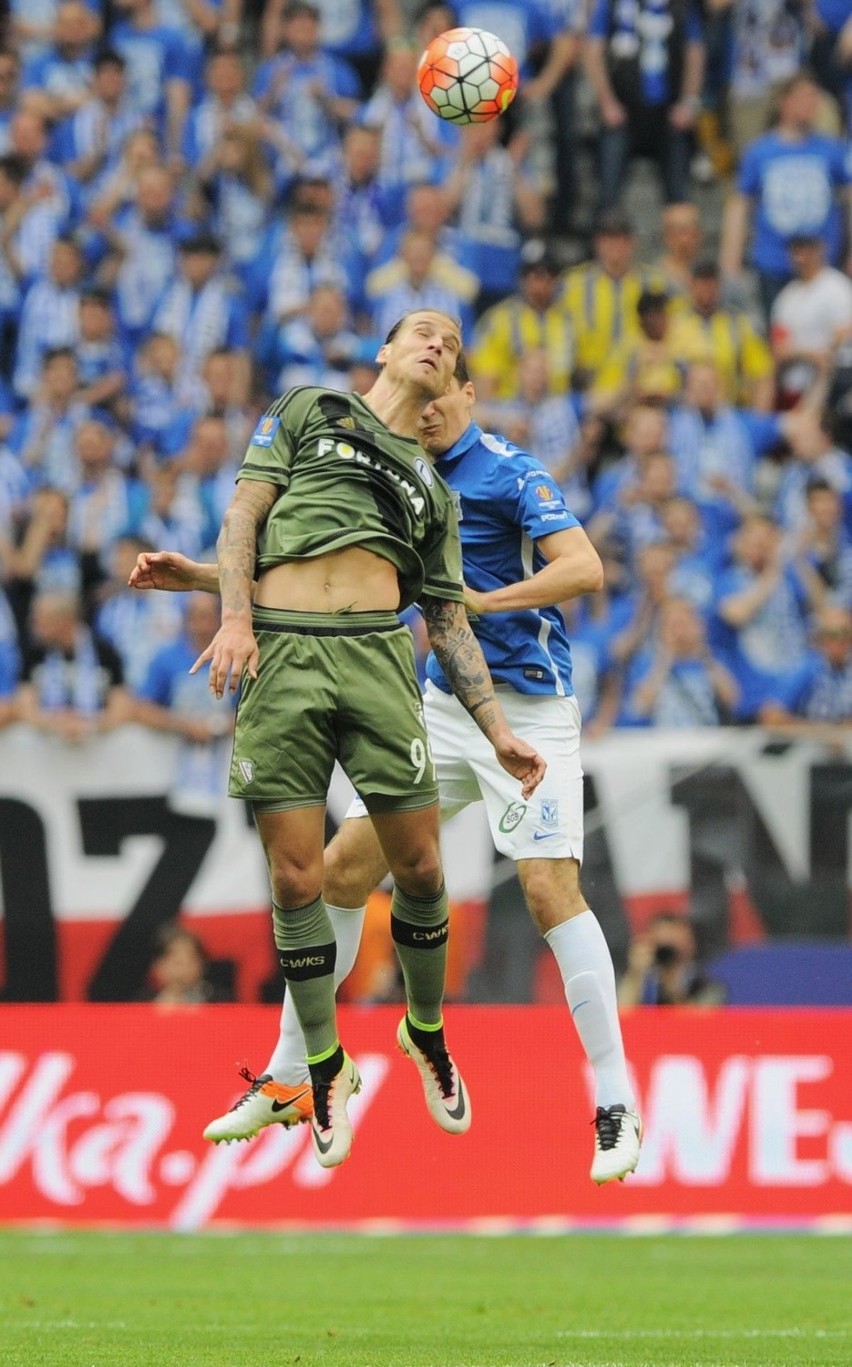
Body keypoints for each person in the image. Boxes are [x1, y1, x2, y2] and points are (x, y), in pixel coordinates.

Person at [131, 358, 643, 1186]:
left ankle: (615, 1099)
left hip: (531, 705)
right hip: (443, 703)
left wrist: (479, 602)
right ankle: (296, 1071)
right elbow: (319, 577)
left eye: (445, 388)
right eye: (420, 389)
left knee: (550, 890)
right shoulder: (391, 471)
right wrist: (197, 578)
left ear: (469, 395)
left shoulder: (508, 469)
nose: (430, 404)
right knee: (337, 871)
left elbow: (585, 569)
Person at [618, 911, 727, 1006]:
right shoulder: (642, 984)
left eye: (672, 942)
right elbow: (620, 1016)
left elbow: (696, 1021)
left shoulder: (707, 987)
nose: (667, 951)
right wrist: (635, 974)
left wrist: (670, 985)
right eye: (662, 944)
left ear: (690, 945)